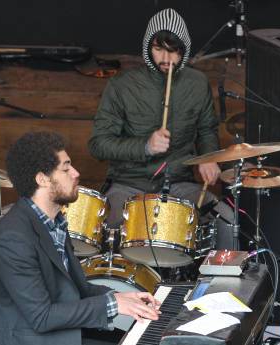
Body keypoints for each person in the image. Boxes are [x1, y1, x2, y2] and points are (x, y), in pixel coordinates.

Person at [0, 132, 163, 345]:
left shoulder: (52, 223)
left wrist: (121, 298)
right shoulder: (13, 238)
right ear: (42, 179)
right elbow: (41, 317)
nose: (77, 173)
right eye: (66, 168)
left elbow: (79, 289)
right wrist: (111, 306)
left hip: (56, 336)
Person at [89, 8, 234, 249]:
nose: (166, 59)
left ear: (184, 50)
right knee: (111, 231)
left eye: (173, 50)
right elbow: (98, 144)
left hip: (178, 182)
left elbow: (207, 129)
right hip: (129, 184)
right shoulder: (121, 86)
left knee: (226, 222)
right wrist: (145, 146)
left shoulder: (197, 84)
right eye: (159, 49)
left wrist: (208, 158)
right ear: (148, 48)